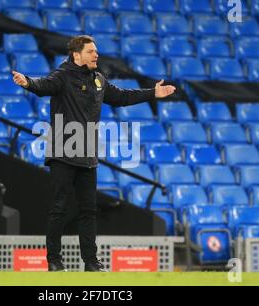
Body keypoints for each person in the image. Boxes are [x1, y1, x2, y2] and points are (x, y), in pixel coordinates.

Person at [12, 35, 176, 272]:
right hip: (63, 152)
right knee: (59, 208)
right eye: (91, 51)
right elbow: (43, 86)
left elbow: (121, 97)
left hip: (87, 155)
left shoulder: (98, 79)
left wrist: (153, 93)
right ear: (76, 55)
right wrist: (28, 82)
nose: (96, 55)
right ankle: (54, 261)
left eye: (96, 51)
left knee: (88, 211)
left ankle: (91, 262)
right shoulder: (62, 76)